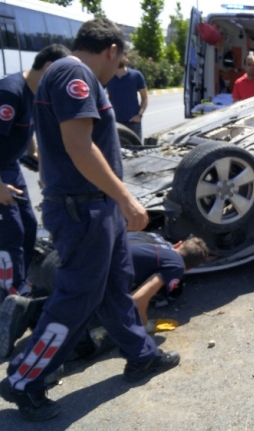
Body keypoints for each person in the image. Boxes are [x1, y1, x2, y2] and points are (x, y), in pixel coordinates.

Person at [0, 19, 179, 422]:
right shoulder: (74, 73)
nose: (117, 70)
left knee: (115, 286)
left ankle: (141, 355)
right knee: (76, 298)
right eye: (120, 62)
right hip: (86, 210)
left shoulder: (64, 72)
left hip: (94, 208)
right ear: (112, 50)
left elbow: (62, 149)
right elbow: (80, 147)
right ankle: (25, 378)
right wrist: (128, 199)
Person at [0, 232, 210, 358]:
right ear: (188, 269)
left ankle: (27, 309)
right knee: (104, 332)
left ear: (178, 243)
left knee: (82, 304)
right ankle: (35, 325)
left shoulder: (150, 239)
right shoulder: (176, 266)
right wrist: (144, 327)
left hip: (56, 261)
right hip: (77, 277)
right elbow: (138, 301)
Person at [0, 45, 71, 304]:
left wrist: (39, 159)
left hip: (10, 167)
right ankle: (9, 294)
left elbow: (25, 131)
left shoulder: (34, 92)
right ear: (50, 68)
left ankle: (20, 280)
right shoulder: (9, 92)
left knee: (29, 226)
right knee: (10, 232)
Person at [105, 58, 148, 140]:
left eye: (122, 55)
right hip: (115, 122)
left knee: (136, 149)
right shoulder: (108, 76)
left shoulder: (136, 75)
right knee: (117, 150)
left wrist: (139, 115)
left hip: (133, 122)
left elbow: (145, 98)